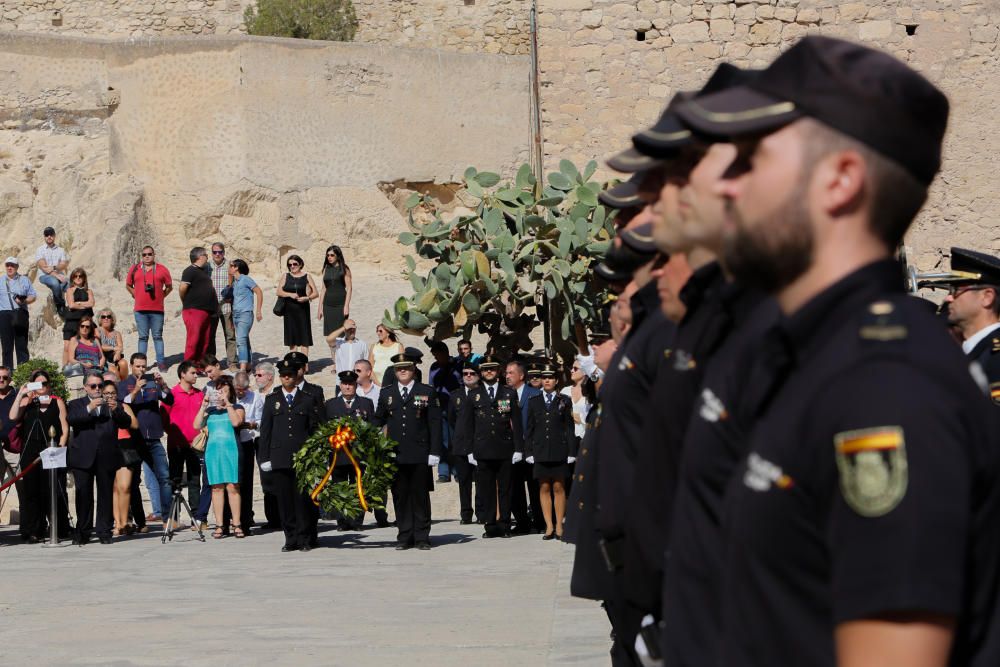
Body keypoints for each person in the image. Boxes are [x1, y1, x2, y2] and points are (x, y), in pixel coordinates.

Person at [672, 35, 1000, 665]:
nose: (726, 188)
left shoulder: (885, 387)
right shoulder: (808, 356)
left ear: (840, 180)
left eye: (748, 161)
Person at [374, 353, 442, 550]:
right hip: (395, 453)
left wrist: (435, 451)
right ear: (394, 371)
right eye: (398, 368)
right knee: (400, 495)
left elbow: (434, 423)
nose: (402, 371)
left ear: (414, 369)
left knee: (420, 495)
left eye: (406, 367)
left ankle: (421, 536)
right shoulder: (387, 393)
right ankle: (404, 535)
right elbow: (378, 419)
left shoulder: (426, 391)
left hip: (420, 452)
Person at [258, 359, 322, 552]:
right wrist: (265, 458)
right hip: (279, 457)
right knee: (285, 501)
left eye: (290, 375)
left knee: (302, 500)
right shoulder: (272, 399)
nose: (287, 378)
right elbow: (266, 431)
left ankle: (304, 538)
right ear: (280, 377)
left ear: (296, 377)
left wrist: (316, 455)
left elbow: (314, 429)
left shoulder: (308, 399)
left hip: (302, 458)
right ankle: (290, 538)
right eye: (284, 375)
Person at [456, 354, 524, 539]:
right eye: (485, 369)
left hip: (504, 448)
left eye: (492, 369)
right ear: (481, 372)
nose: (488, 372)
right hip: (482, 448)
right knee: (485, 489)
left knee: (505, 488)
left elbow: (516, 423)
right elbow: (468, 425)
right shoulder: (473, 395)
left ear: (498, 372)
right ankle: (490, 525)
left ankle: (505, 524)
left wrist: (519, 448)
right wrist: (469, 450)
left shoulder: (508, 393)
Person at [8, 370, 69, 542]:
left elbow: (64, 429)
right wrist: (21, 393)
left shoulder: (58, 402)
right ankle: (34, 529)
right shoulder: (28, 402)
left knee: (51, 489)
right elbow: (12, 416)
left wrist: (60, 447)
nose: (41, 387)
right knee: (31, 491)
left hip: (51, 449)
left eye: (44, 383)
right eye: (38, 383)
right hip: (30, 450)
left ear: (49, 385)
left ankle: (57, 527)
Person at [119, 353, 173, 524]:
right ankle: (136, 520)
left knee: (163, 476)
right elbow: (124, 403)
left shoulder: (151, 383)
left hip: (154, 437)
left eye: (144, 366)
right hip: (135, 438)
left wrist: (162, 385)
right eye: (138, 366)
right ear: (131, 366)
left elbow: (169, 400)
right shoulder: (124, 384)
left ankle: (166, 515)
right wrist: (136, 389)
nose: (141, 369)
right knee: (134, 480)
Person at [524, 364, 576, 540]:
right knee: (544, 486)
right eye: (544, 377)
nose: (546, 380)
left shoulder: (564, 400)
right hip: (540, 450)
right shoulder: (534, 401)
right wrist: (528, 451)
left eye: (550, 377)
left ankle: (560, 525)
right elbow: (529, 429)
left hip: (559, 449)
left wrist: (571, 451)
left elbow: (569, 427)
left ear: (556, 381)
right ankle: (549, 526)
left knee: (559, 487)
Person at [194, 374, 245, 538]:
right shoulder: (210, 411)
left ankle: (236, 524)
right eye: (218, 391)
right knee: (216, 488)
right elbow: (196, 425)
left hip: (231, 450)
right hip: (213, 452)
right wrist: (203, 406)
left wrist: (228, 404)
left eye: (224, 390)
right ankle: (219, 525)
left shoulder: (237, 407)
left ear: (230, 392)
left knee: (233, 487)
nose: (220, 394)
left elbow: (237, 423)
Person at [941, 247, 1000, 387]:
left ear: (987, 297)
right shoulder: (975, 353)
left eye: (956, 290)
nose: (949, 297)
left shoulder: (996, 359)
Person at [325, 370, 375, 530]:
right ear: (340, 385)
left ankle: (356, 521)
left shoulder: (366, 403)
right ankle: (342, 520)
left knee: (358, 486)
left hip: (358, 455)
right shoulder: (331, 405)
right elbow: (325, 430)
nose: (348, 387)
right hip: (338, 455)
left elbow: (372, 429)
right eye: (345, 384)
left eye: (351, 384)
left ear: (356, 385)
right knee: (339, 487)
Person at [163, 360, 207, 530]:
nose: (196, 375)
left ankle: (196, 517)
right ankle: (174, 518)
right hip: (176, 444)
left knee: (195, 480)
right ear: (182, 374)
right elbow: (163, 418)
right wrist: (173, 434)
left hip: (195, 446)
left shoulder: (199, 394)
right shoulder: (171, 394)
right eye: (193, 373)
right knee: (174, 480)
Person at [505, 358, 543, 534]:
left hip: (531, 448)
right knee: (515, 487)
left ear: (521, 375)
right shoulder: (504, 395)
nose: (507, 376)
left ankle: (540, 521)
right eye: (506, 373)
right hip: (512, 449)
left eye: (511, 373)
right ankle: (522, 521)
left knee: (535, 487)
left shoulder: (534, 394)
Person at [125, 245, 173, 372]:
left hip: (157, 310)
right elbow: (128, 284)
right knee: (142, 337)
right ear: (142, 256)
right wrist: (135, 294)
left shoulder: (162, 269)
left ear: (154, 255)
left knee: (157, 336)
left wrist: (162, 296)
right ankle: (141, 365)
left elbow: (169, 286)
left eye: (149, 254)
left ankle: (161, 363)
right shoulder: (135, 269)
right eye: (144, 254)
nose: (147, 256)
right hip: (140, 310)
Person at [105, 381, 141, 536]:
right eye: (107, 393)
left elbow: (135, 425)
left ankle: (125, 520)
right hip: (109, 448)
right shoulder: (100, 409)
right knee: (114, 488)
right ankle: (118, 523)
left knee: (125, 486)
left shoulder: (123, 406)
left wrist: (118, 410)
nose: (110, 396)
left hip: (125, 448)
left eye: (112, 393)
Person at [229, 370, 262, 534]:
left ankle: (246, 518)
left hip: (247, 440)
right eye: (238, 389)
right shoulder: (229, 396)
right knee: (231, 482)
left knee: (246, 481)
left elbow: (261, 420)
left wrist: (252, 425)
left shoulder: (255, 397)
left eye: (243, 389)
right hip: (230, 442)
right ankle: (231, 518)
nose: (240, 392)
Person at [449, 361, 481, 524]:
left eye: (472, 373)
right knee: (464, 481)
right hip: (461, 444)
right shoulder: (455, 395)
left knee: (482, 481)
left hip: (480, 443)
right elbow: (451, 419)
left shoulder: (483, 393)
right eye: (465, 373)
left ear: (478, 376)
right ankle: (466, 513)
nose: (468, 376)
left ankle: (482, 512)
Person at [253, 362, 281, 529]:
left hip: (276, 441)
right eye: (255, 375)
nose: (256, 378)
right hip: (260, 440)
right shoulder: (255, 395)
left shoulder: (277, 393)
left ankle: (282, 515)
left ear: (270, 376)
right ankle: (272, 517)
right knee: (266, 479)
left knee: (279, 478)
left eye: (259, 375)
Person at [179, 247, 216, 369]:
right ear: (200, 256)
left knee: (204, 340)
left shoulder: (202, 272)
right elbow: (182, 288)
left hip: (205, 310)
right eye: (206, 255)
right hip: (194, 310)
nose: (207, 257)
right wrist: (187, 302)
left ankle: (199, 364)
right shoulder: (190, 271)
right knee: (193, 340)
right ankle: (188, 366)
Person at [428, 341, 460, 482]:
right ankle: (443, 471)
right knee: (442, 439)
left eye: (437, 355)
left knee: (455, 438)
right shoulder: (434, 367)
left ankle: (457, 470)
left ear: (445, 353)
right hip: (439, 406)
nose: (436, 358)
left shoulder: (457, 365)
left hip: (455, 406)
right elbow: (431, 386)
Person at [277, 254, 317, 355]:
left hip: (303, 310)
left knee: (304, 337)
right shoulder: (285, 276)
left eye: (295, 264)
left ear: (300, 264)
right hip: (289, 311)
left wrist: (307, 298)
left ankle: (304, 364)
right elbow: (278, 292)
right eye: (290, 264)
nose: (292, 266)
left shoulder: (307, 276)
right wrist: (289, 294)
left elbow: (316, 293)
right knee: (292, 338)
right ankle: (293, 362)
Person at [206, 242, 238, 368]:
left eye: (220, 252)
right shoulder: (207, 266)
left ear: (224, 252)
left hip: (227, 307)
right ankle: (212, 362)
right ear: (212, 253)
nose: (217, 254)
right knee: (210, 336)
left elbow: (237, 283)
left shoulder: (231, 266)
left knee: (230, 335)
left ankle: (232, 362)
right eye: (215, 252)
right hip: (211, 307)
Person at [0, 257, 36, 368]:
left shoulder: (24, 280)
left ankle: (23, 373)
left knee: (21, 345)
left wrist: (24, 300)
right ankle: (8, 374)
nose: (10, 267)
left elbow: (33, 296)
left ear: (17, 267)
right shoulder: (1, 280)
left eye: (12, 265)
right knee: (6, 347)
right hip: (4, 314)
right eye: (8, 265)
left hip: (20, 314)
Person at [229, 258, 263, 371]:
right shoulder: (235, 281)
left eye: (231, 266)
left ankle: (242, 369)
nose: (229, 268)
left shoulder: (246, 279)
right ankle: (248, 364)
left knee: (241, 340)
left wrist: (258, 310)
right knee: (244, 339)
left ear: (236, 268)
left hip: (246, 314)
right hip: (236, 315)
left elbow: (259, 292)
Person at [61, 268, 94, 367]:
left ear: (84, 278)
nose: (78, 278)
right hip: (72, 322)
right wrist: (84, 305)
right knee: (67, 346)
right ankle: (65, 368)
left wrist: (78, 303)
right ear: (72, 278)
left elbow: (92, 303)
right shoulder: (70, 290)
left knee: (85, 344)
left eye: (80, 276)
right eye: (76, 276)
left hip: (85, 322)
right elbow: (71, 305)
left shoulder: (88, 291)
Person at [318, 244, 352, 338]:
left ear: (338, 255)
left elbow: (349, 288)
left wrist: (346, 306)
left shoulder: (344, 269)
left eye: (332, 255)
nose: (329, 257)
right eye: (328, 255)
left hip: (340, 304)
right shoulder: (326, 269)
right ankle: (333, 353)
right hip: (327, 305)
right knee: (330, 335)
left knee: (341, 333)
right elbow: (323, 289)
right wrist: (320, 308)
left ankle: (340, 353)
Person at [35, 226, 69, 313]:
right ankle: (60, 305)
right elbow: (44, 267)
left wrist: (54, 268)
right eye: (47, 235)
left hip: (59, 274)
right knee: (55, 282)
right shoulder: (40, 250)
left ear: (54, 236)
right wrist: (56, 275)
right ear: (44, 237)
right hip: (44, 276)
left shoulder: (61, 250)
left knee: (71, 283)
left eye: (51, 234)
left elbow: (63, 265)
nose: (49, 236)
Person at [95, 309, 128, 379]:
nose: (106, 318)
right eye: (103, 317)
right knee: (114, 371)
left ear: (112, 319)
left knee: (124, 364)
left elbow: (120, 347)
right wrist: (113, 348)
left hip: (114, 356)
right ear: (100, 319)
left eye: (108, 316)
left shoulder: (117, 333)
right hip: (103, 358)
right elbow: (100, 347)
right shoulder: (97, 331)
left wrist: (118, 352)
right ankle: (118, 387)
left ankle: (124, 384)